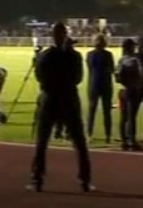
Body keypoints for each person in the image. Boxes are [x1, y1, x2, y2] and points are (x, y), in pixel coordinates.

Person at [27, 22, 93, 193]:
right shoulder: (74, 56)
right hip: (69, 97)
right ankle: (85, 180)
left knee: (42, 141)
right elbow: (78, 78)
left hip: (50, 97)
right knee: (79, 141)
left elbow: (39, 76)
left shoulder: (45, 55)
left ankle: (37, 179)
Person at [85, 34, 116, 145]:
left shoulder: (90, 55)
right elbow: (112, 69)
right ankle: (107, 135)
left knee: (92, 110)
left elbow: (89, 67)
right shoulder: (108, 55)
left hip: (94, 84)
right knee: (106, 111)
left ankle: (89, 134)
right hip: (105, 85)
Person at [116, 38, 143, 151]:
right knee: (131, 117)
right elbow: (140, 75)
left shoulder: (121, 60)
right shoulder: (135, 60)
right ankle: (132, 141)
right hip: (132, 90)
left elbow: (117, 75)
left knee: (123, 117)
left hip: (122, 90)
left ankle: (124, 140)